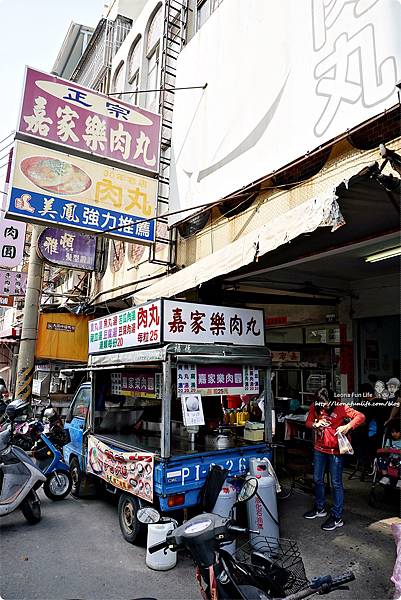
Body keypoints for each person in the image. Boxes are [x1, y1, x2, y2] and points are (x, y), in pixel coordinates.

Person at [303, 387, 365, 531]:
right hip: (319, 449)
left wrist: (348, 426)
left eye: (328, 403)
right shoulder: (315, 407)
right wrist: (315, 424)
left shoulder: (341, 407)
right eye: (323, 404)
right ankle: (320, 508)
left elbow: (361, 416)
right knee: (317, 479)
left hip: (336, 451)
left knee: (336, 482)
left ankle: (337, 517)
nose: (326, 406)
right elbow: (308, 422)